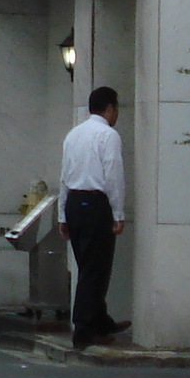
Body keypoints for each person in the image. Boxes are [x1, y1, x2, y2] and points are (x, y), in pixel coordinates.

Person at [58, 85, 132, 350]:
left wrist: (62, 213)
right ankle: (84, 327)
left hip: (75, 203)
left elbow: (64, 175)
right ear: (110, 108)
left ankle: (99, 319)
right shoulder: (107, 135)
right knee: (96, 267)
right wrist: (118, 211)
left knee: (86, 264)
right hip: (95, 203)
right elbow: (113, 175)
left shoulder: (73, 135)